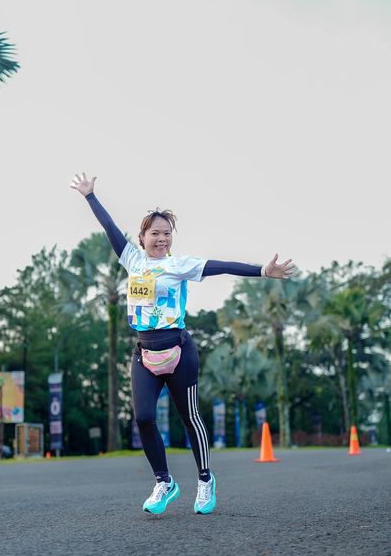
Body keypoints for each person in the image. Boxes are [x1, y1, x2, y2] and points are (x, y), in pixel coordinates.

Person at [70, 173, 295, 516]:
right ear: (142, 237)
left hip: (178, 352)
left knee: (189, 417)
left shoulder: (179, 265)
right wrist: (90, 196)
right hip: (145, 353)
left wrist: (262, 271)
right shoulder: (132, 260)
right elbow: (109, 227)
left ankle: (205, 479)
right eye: (154, 233)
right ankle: (164, 482)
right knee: (143, 418)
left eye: (166, 233)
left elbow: (221, 266)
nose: (161, 238)